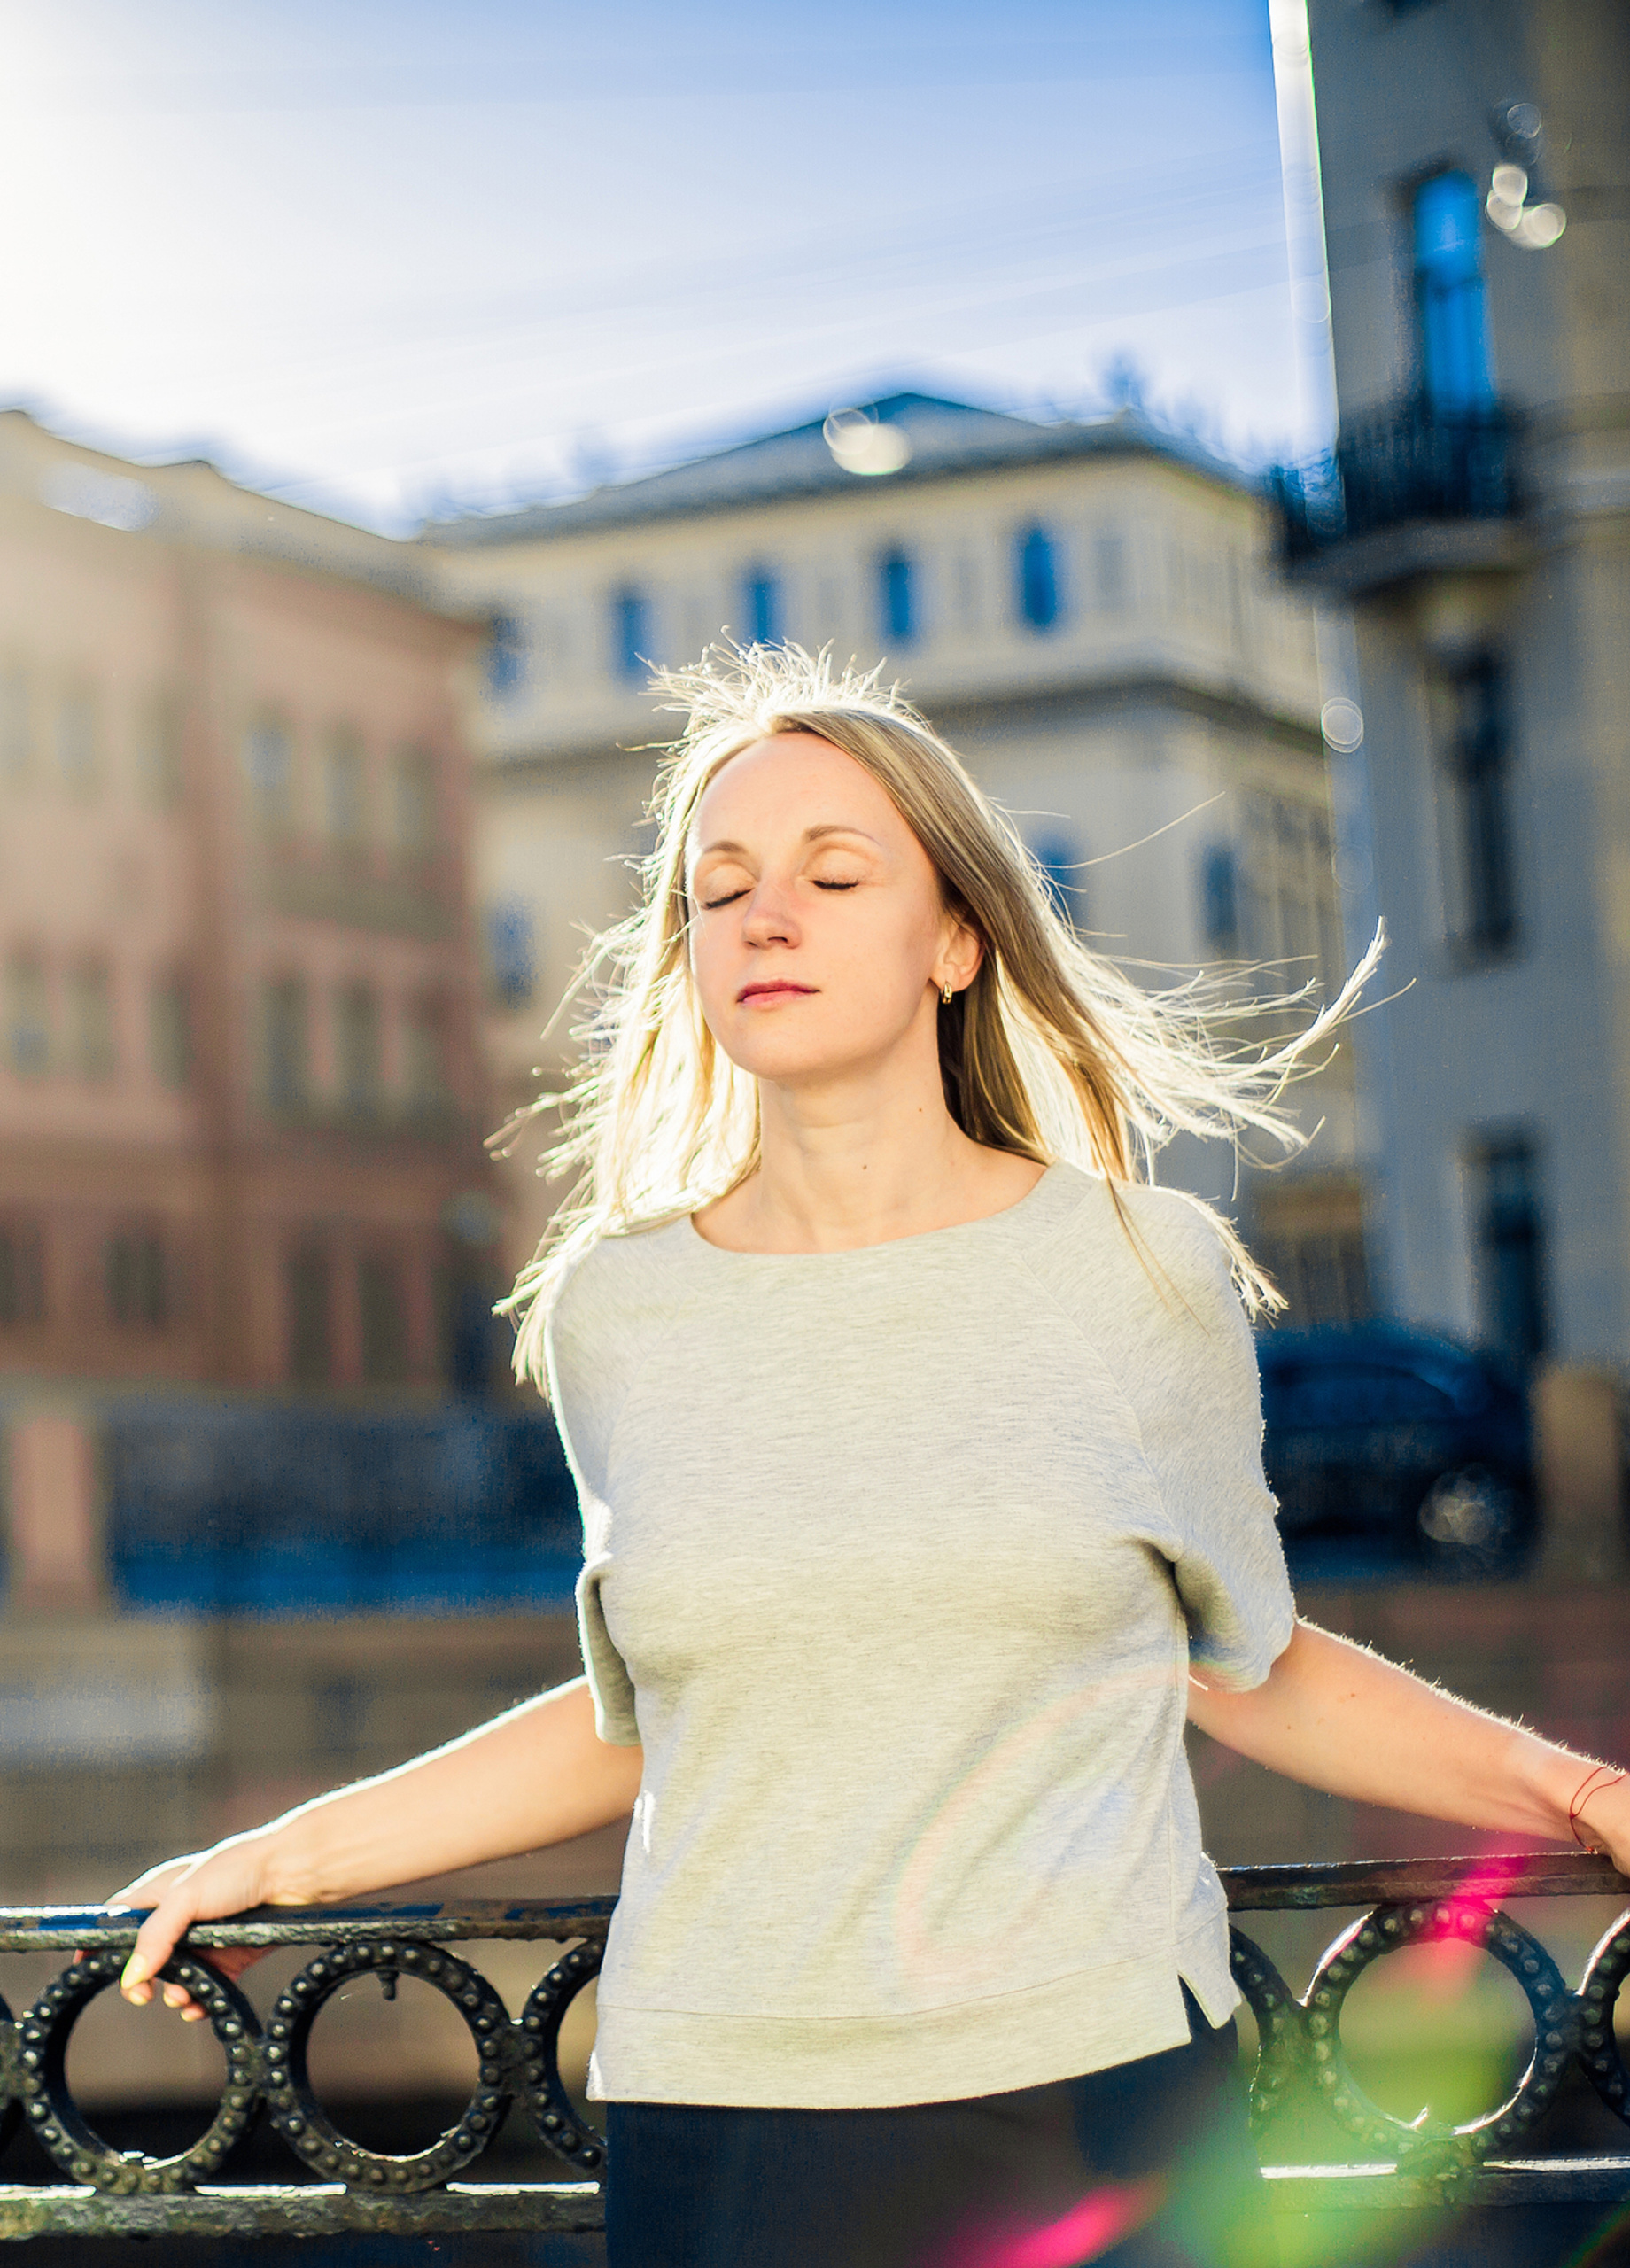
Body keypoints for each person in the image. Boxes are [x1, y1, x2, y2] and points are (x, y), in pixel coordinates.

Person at [108, 648, 1630, 2267]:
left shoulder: (1139, 1270)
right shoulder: (619, 1310)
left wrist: (1584, 1792)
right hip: (726, 2115)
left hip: (1092, 2091)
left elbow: (1239, 1666)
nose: (768, 917)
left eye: (836, 875)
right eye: (721, 889)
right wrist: (286, 1858)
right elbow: (659, 1707)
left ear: (956, 942)